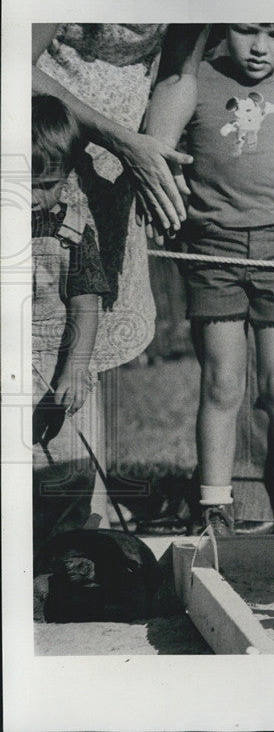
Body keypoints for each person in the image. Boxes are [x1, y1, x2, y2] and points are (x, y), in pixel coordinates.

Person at [159, 24, 274, 536]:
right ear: (221, 27)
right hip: (213, 250)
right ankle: (215, 506)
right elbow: (162, 149)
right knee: (222, 382)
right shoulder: (194, 80)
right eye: (247, 31)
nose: (261, 48)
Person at [32, 24, 198, 532]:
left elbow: (178, 73)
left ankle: (86, 515)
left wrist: (155, 153)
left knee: (81, 348)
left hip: (123, 163)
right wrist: (122, 141)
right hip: (48, 138)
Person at [31, 95, 112, 543]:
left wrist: (75, 367)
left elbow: (85, 303)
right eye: (24, 182)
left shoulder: (73, 230)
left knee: (67, 471)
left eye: (49, 183)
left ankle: (71, 559)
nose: (36, 197)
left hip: (58, 368)